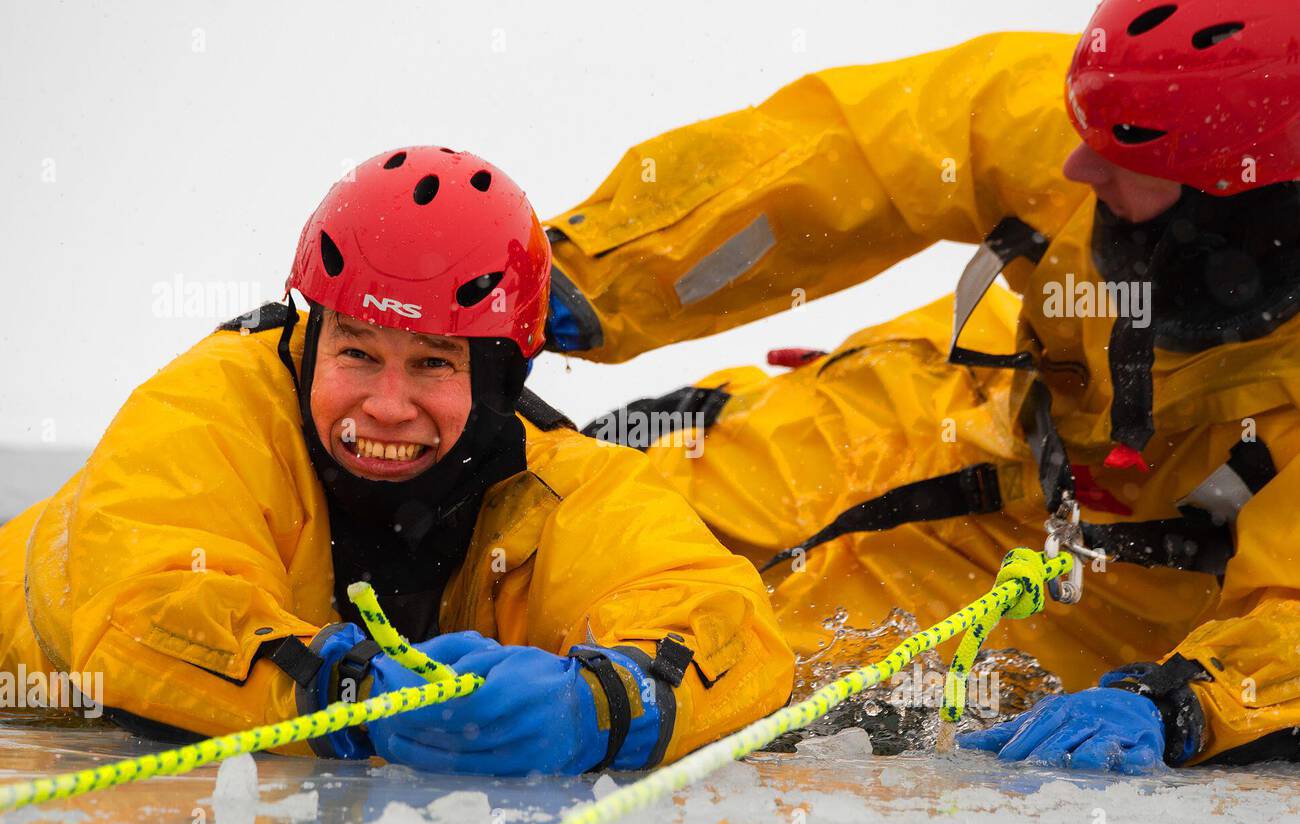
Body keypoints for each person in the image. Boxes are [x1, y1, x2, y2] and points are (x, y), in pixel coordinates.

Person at [542, 0, 1300, 772]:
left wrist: (1187, 701)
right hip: (941, 416)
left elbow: (1290, 617)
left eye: (1128, 148)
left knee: (718, 667)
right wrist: (582, 276)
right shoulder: (1096, 112)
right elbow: (847, 154)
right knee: (553, 512)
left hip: (1104, 597)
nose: (1076, 165)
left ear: (1242, 195)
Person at [0, 146, 794, 776]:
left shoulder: (553, 483)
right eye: (356, 351)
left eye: (432, 363)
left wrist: (607, 709)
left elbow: (722, 623)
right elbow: (145, 609)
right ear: (312, 339)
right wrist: (348, 694)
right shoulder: (214, 406)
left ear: (498, 380)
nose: (385, 404)